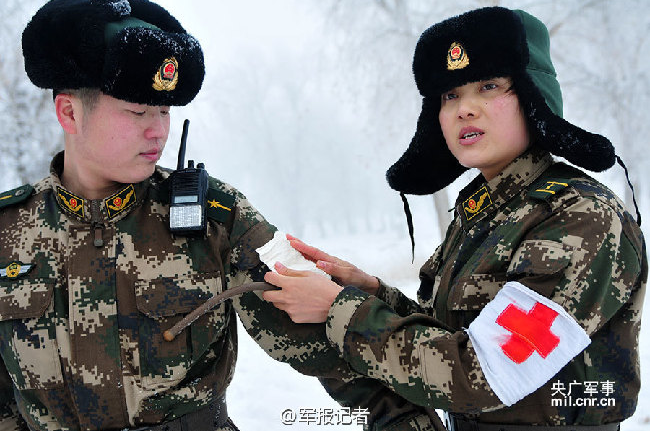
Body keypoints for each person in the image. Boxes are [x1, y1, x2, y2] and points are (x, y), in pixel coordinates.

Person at [0, 0, 443, 429]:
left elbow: (328, 342)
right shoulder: (8, 231)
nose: (157, 130)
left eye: (164, 110)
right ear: (69, 112)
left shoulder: (215, 217)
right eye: (137, 112)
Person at [263, 6, 647, 430]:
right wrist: (367, 290)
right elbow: (449, 336)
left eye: (488, 86)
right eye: (450, 95)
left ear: (533, 96)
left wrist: (338, 309)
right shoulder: (488, 211)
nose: (465, 109)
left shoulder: (579, 217)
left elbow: (490, 370)